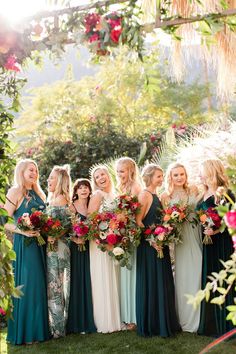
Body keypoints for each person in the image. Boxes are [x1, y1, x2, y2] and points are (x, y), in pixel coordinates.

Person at [5, 159, 50, 345]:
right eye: (30, 170)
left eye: (36, 170)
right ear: (21, 171)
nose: (34, 173)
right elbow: (4, 220)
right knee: (29, 286)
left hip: (40, 244)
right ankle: (25, 333)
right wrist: (22, 230)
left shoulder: (39, 193)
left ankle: (39, 332)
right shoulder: (14, 191)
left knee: (39, 286)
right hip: (25, 245)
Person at [136, 163, 180, 337]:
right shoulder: (144, 195)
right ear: (149, 177)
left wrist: (164, 236)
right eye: (158, 176)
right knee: (152, 282)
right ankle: (152, 324)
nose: (161, 179)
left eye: (162, 176)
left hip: (161, 244)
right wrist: (151, 240)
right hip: (148, 247)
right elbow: (138, 222)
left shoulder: (158, 195)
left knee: (163, 282)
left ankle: (165, 322)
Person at [161, 162, 202, 332]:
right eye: (175, 175)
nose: (179, 177)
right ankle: (185, 318)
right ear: (170, 177)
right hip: (181, 239)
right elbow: (165, 221)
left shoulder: (193, 190)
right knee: (184, 274)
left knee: (199, 269)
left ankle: (201, 316)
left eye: (182, 174)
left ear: (186, 175)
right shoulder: (166, 196)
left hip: (196, 233)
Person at [197, 159, 235, 337]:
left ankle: (226, 327)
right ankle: (211, 326)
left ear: (211, 172)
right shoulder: (203, 193)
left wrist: (216, 230)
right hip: (208, 244)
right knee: (210, 280)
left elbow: (232, 220)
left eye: (201, 171)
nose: (199, 175)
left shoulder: (225, 193)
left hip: (222, 244)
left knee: (223, 281)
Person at [88, 165, 121, 333]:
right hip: (100, 243)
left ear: (108, 175)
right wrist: (103, 237)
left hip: (114, 241)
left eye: (103, 174)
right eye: (97, 177)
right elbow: (90, 220)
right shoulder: (97, 195)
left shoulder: (114, 195)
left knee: (114, 277)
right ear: (95, 182)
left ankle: (116, 318)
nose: (101, 178)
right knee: (103, 277)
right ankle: (104, 321)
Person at [67, 178, 96, 334]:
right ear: (76, 191)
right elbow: (67, 228)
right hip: (76, 247)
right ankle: (76, 321)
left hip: (89, 247)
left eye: (86, 187)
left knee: (89, 280)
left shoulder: (92, 205)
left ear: (90, 190)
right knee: (78, 280)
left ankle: (90, 318)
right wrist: (76, 239)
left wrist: (86, 236)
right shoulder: (71, 207)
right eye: (80, 188)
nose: (84, 190)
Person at [115, 157, 142, 329]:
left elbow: (138, 212)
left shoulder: (136, 188)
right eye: (117, 171)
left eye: (122, 171)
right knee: (125, 273)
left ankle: (134, 316)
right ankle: (127, 315)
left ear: (131, 171)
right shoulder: (122, 187)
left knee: (132, 273)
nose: (119, 174)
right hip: (123, 233)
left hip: (132, 235)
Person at [47, 165, 71, 338]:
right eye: (48, 177)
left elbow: (67, 225)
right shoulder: (52, 199)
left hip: (59, 248)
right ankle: (56, 326)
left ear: (60, 180)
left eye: (52, 178)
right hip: (52, 247)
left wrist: (55, 235)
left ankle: (58, 329)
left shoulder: (61, 199)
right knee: (54, 287)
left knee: (56, 287)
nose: (48, 180)